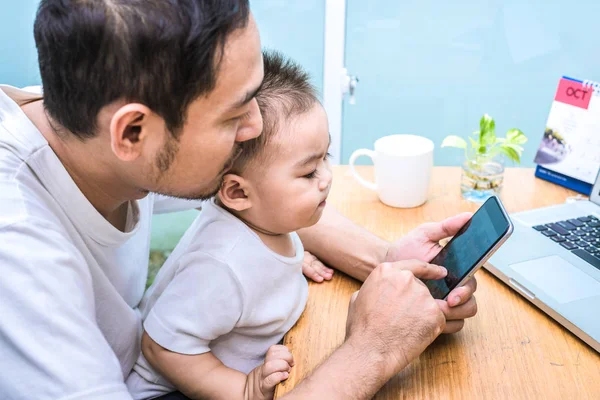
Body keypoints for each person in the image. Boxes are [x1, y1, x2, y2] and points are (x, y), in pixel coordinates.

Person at [0, 1, 477, 399]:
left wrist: (386, 263)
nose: (255, 128)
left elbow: (263, 193)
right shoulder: (17, 251)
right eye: (234, 116)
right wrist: (374, 351)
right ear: (133, 132)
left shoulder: (95, 123)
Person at [125, 50, 342, 400]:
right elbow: (162, 347)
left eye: (326, 158)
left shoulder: (266, 221)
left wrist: (284, 265)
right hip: (172, 389)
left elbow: (257, 264)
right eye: (308, 172)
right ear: (238, 192)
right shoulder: (220, 267)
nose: (326, 178)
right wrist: (243, 389)